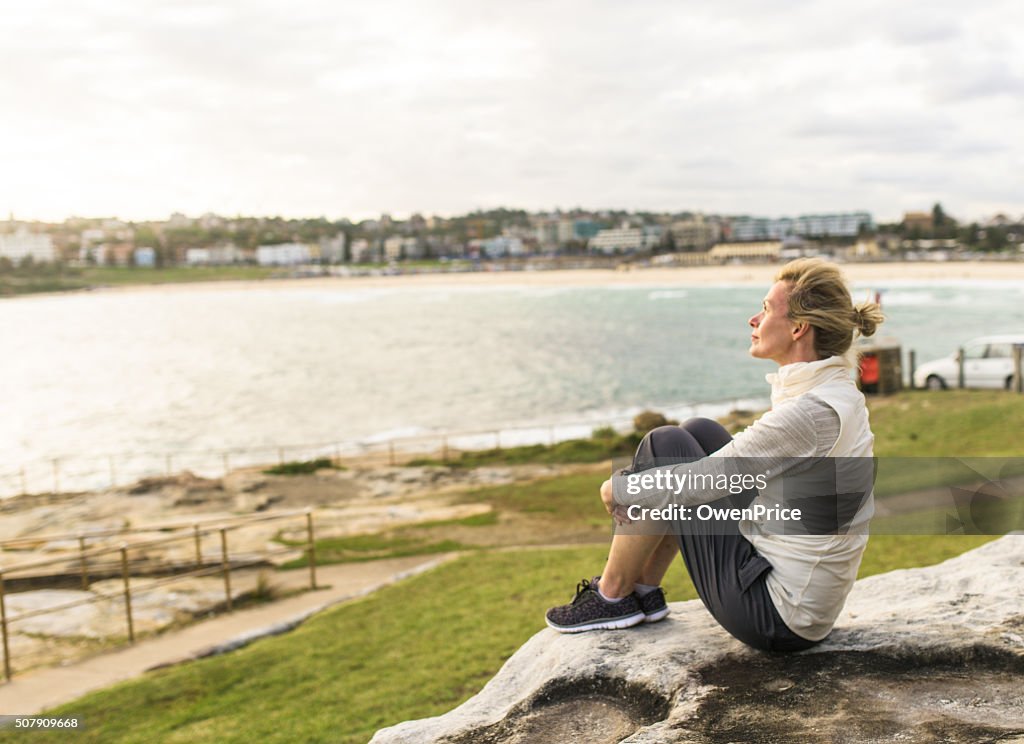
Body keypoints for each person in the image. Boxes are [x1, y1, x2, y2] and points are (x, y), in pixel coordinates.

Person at [545, 258, 884, 652]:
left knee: (664, 446)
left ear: (797, 328)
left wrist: (617, 490)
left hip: (775, 615)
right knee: (699, 433)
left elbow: (702, 481)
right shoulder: (834, 393)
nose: (753, 320)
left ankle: (612, 595)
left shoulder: (811, 413)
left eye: (766, 310)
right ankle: (644, 594)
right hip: (800, 600)